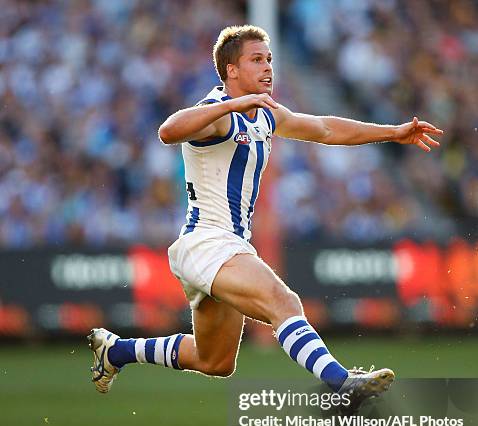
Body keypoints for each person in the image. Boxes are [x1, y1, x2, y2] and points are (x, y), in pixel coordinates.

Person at [88, 25, 443, 406]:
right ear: (231, 70)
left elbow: (324, 128)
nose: (268, 67)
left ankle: (117, 351)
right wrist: (229, 105)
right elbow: (167, 131)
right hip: (208, 241)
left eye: (269, 59)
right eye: (256, 60)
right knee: (284, 302)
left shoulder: (265, 115)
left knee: (215, 361)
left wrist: (393, 132)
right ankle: (343, 382)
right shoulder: (218, 113)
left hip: (224, 247)